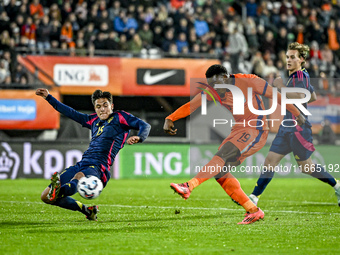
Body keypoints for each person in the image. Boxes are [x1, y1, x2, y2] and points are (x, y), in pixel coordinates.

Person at [164, 64, 305, 224]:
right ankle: (254, 210)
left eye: (216, 84)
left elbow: (276, 96)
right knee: (220, 172)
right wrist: (171, 118)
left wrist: (297, 113)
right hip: (238, 129)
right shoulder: (213, 91)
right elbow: (192, 105)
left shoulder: (248, 81)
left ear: (226, 77)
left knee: (222, 155)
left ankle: (188, 186)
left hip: (256, 129)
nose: (214, 88)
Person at [36, 88, 151, 220]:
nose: (102, 109)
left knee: (78, 177)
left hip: (99, 167)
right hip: (83, 163)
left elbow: (145, 125)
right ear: (95, 109)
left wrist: (140, 137)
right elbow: (70, 112)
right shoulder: (93, 120)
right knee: (45, 197)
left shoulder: (120, 117)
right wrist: (48, 97)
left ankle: (59, 190)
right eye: (98, 107)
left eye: (105, 105)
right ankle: (86, 209)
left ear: (111, 106)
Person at [248, 42, 340, 206]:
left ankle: (337, 185)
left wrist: (281, 87)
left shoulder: (300, 76)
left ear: (301, 59)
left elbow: (300, 95)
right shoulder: (299, 76)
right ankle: (254, 197)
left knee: (307, 167)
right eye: (287, 57)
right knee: (270, 161)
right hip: (286, 127)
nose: (288, 60)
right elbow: (311, 96)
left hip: (298, 128)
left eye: (292, 57)